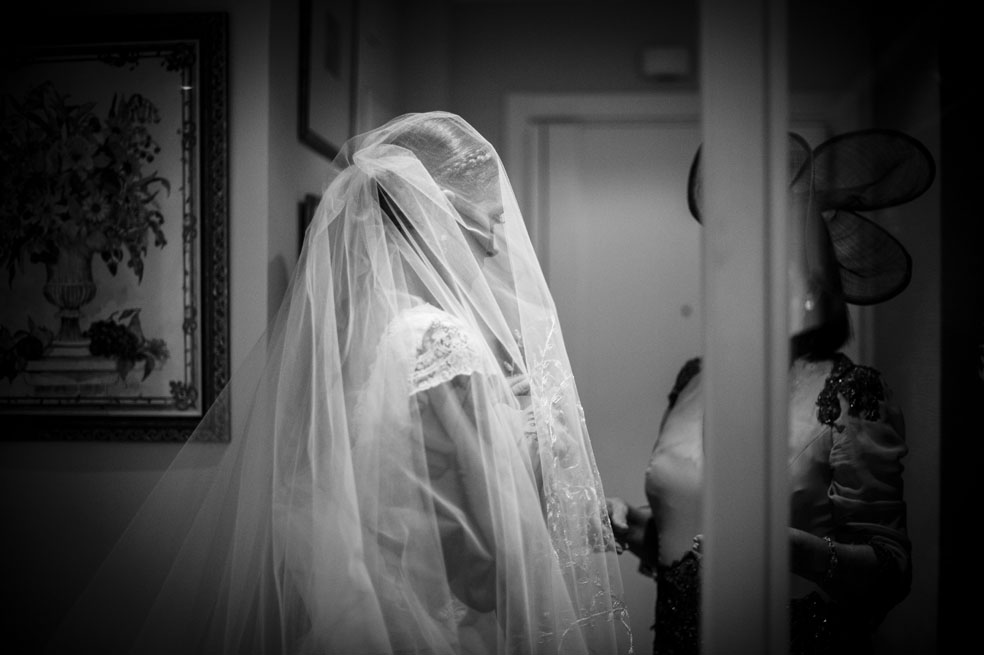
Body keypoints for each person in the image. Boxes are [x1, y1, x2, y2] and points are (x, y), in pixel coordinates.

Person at [47, 112, 631, 654]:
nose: (497, 244)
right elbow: (489, 572)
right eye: (492, 220)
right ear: (440, 212)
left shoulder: (358, 335)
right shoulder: (441, 344)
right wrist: (546, 482)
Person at [606, 129, 935, 655]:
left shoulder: (850, 393)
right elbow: (684, 541)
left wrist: (793, 551)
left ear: (812, 287)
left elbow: (891, 569)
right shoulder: (694, 380)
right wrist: (628, 525)